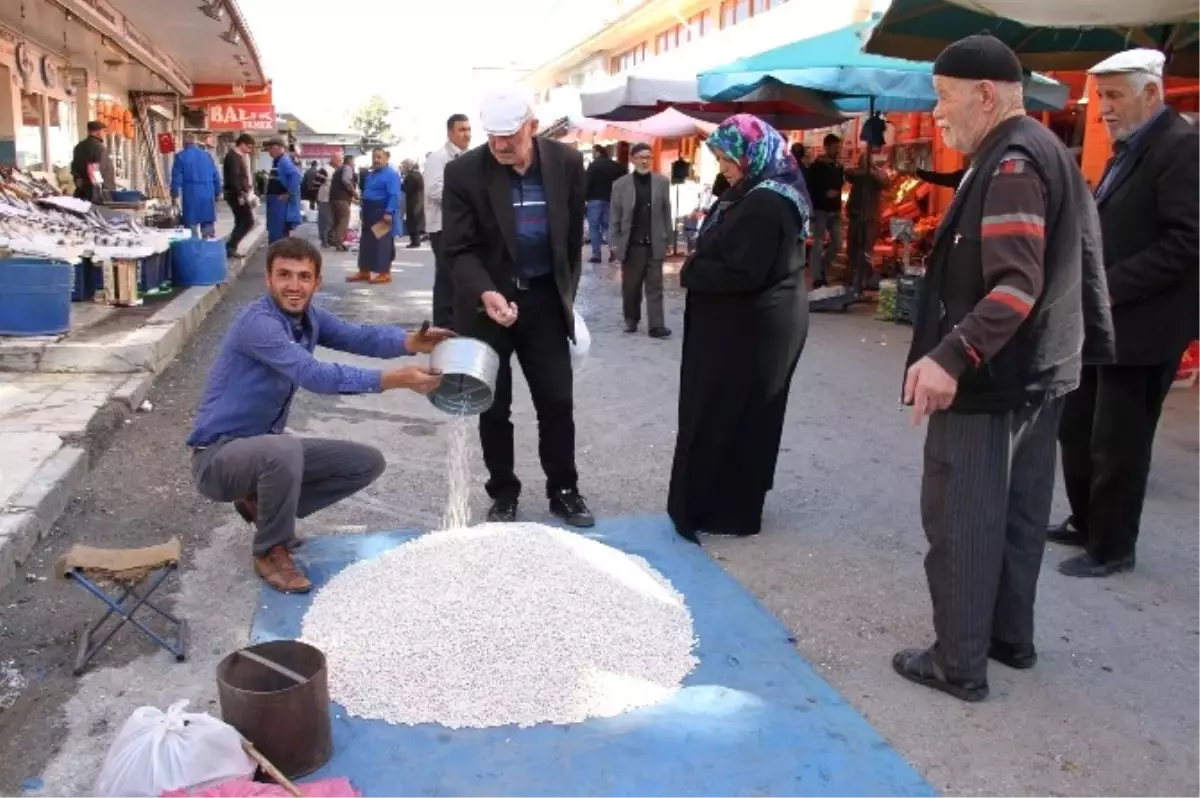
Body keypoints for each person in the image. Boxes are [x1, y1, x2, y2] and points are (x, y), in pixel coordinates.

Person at [894, 35, 1114, 702]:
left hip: (992, 377)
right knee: (1018, 511)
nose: (936, 115)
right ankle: (1007, 636)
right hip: (1040, 370)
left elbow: (1014, 285)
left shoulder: (1012, 163)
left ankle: (958, 661)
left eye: (943, 99)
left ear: (985, 95)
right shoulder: (1044, 149)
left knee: (962, 513)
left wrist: (948, 356)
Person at [187, 237, 450, 593]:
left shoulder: (309, 317)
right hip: (217, 458)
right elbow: (316, 376)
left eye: (304, 276)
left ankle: (264, 505)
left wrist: (409, 342)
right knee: (283, 450)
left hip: (259, 452)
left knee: (365, 462)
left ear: (317, 283)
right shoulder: (259, 324)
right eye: (284, 275)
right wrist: (396, 379)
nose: (294, 286)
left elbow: (359, 337)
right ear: (268, 280)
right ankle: (270, 549)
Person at [1051, 49, 1200, 578]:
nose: (1103, 109)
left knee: (1120, 441)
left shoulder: (1181, 148)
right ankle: (1087, 519)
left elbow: (1187, 242)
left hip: (1146, 324)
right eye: (1100, 98)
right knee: (1078, 428)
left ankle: (1112, 546)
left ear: (1151, 94)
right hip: (1107, 318)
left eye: (1114, 96)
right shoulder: (1130, 146)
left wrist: (1111, 285)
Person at [442, 84, 594, 528]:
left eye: (510, 135)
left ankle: (564, 489)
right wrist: (487, 293)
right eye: (492, 135)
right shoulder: (465, 172)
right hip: (487, 303)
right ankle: (503, 492)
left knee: (557, 400)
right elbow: (458, 248)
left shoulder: (567, 162)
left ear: (533, 126)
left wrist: (563, 295)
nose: (500, 145)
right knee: (494, 404)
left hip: (544, 300)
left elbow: (569, 240)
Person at [668, 114, 810, 543]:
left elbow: (743, 271)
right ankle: (715, 502)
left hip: (754, 328)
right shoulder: (753, 190)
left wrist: (691, 270)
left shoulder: (768, 202)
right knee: (726, 410)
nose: (724, 169)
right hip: (743, 323)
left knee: (735, 413)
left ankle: (728, 509)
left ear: (753, 153)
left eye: (728, 159)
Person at [610, 142, 672, 338]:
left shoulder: (662, 182)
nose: (645, 160)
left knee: (655, 286)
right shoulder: (620, 185)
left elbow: (666, 212)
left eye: (648, 157)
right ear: (632, 159)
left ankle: (656, 325)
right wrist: (614, 241)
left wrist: (669, 238)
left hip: (654, 241)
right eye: (641, 157)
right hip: (632, 244)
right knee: (631, 286)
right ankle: (631, 320)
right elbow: (615, 215)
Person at [425, 113, 472, 329]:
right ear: (450, 132)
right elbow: (434, 190)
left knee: (458, 273)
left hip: (461, 225)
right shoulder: (438, 157)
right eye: (462, 130)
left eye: (469, 129)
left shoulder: (468, 157)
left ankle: (457, 320)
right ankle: (443, 324)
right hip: (442, 226)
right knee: (445, 274)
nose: (467, 134)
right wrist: (465, 200)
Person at [348, 148, 400, 284]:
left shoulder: (391, 174)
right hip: (369, 210)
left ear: (387, 158)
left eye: (379, 157)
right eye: (374, 157)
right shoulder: (372, 174)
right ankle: (364, 271)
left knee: (382, 242)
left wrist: (389, 212)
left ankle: (384, 272)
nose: (376, 160)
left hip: (381, 211)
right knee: (366, 241)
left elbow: (394, 195)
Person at [804, 134, 845, 288]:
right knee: (818, 243)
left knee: (838, 244)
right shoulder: (816, 166)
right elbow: (810, 187)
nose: (837, 150)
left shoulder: (839, 166)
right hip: (820, 209)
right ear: (826, 147)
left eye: (839, 147)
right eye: (835, 147)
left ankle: (823, 266)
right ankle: (817, 277)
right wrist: (823, 193)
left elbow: (840, 184)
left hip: (835, 210)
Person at [845, 152, 890, 292]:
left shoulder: (877, 175)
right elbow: (849, 174)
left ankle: (865, 277)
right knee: (853, 247)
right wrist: (865, 171)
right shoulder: (857, 174)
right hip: (856, 215)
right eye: (861, 160)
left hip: (870, 217)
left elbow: (885, 182)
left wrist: (871, 171)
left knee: (866, 249)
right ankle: (853, 276)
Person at [170, 133, 222, 238]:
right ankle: (207, 246)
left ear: (184, 143)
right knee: (207, 221)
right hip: (207, 193)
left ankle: (194, 248)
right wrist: (218, 192)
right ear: (195, 143)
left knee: (191, 224)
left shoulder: (181, 156)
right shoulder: (207, 156)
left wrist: (174, 194)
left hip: (191, 194)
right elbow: (216, 175)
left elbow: (176, 177)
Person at [584, 144, 626, 264]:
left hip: (594, 200)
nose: (592, 154)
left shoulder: (593, 166)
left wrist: (584, 197)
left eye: (593, 152)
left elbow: (587, 182)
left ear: (598, 153)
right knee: (608, 226)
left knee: (594, 227)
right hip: (611, 199)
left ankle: (596, 254)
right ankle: (613, 250)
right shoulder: (615, 166)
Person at [223, 134, 256, 258]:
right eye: (248, 146)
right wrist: (240, 194)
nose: (249, 150)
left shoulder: (237, 156)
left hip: (238, 193)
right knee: (248, 221)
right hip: (236, 194)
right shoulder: (233, 157)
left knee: (240, 221)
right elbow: (234, 177)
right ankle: (231, 246)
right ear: (241, 144)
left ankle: (231, 247)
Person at [264, 137, 302, 244]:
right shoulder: (277, 161)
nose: (269, 150)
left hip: (279, 201)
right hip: (275, 201)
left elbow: (296, 176)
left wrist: (288, 193)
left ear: (280, 148)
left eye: (271, 147)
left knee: (277, 231)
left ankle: (277, 253)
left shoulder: (284, 161)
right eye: (268, 148)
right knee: (277, 230)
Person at [70, 121, 111, 203]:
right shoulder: (100, 148)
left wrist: (79, 181)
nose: (104, 134)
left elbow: (74, 168)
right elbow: (97, 171)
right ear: (98, 132)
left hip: (81, 192)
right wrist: (99, 194)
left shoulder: (78, 147)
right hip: (97, 194)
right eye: (104, 131)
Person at [328, 154, 356, 251]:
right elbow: (345, 180)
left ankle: (333, 240)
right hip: (342, 199)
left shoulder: (338, 169)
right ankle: (339, 242)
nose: (354, 164)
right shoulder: (347, 168)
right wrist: (354, 192)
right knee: (344, 220)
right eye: (353, 162)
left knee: (337, 221)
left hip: (334, 199)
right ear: (349, 161)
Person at [315, 154, 339, 246]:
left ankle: (329, 240)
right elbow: (316, 184)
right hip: (325, 199)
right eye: (339, 160)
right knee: (325, 221)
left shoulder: (335, 169)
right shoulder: (324, 169)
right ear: (333, 159)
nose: (340, 162)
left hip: (332, 200)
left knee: (332, 221)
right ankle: (324, 240)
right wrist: (316, 198)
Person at [402, 159, 425, 248]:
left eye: (404, 166)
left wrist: (402, 186)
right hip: (419, 200)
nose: (403, 168)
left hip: (412, 201)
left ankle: (415, 242)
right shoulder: (418, 175)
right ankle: (416, 240)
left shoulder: (410, 176)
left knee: (412, 221)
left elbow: (407, 189)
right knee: (417, 221)